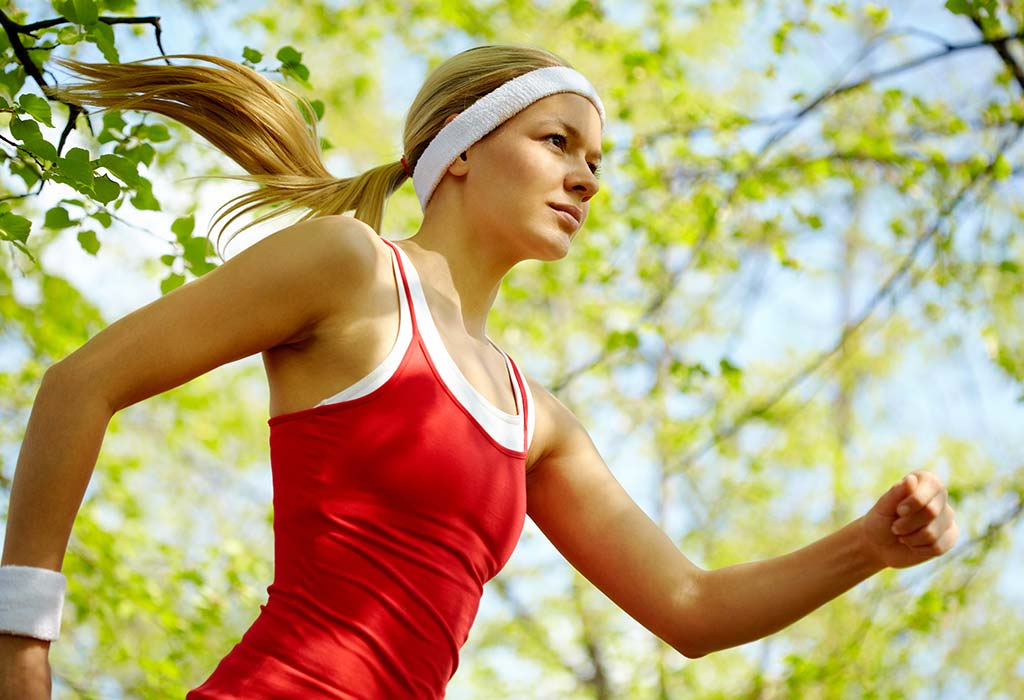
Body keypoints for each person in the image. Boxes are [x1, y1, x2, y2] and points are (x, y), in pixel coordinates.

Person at [0, 44, 958, 699]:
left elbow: (692, 609)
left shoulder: (535, 418)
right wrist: (20, 650)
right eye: (557, 143)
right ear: (458, 148)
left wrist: (869, 546)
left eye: (597, 160)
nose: (588, 178)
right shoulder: (351, 267)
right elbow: (80, 384)